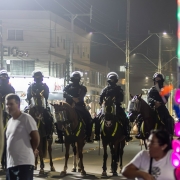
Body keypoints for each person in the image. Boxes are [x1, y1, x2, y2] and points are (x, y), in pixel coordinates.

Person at [5, 94, 40, 180]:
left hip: (24, 164)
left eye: (11, 104)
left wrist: (33, 149)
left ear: (18, 104)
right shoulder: (9, 122)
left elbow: (35, 138)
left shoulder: (26, 118)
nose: (8, 106)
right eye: (7, 104)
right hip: (11, 164)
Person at [94, 72, 132, 142]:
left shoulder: (119, 89)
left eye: (113, 79)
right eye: (111, 79)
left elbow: (121, 98)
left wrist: (115, 101)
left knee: (125, 118)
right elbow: (101, 97)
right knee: (97, 118)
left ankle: (126, 134)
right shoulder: (105, 89)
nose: (112, 80)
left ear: (116, 80)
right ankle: (97, 134)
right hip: (106, 107)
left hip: (116, 107)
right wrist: (101, 103)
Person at [61, 71, 93, 143]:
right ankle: (60, 136)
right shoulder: (68, 86)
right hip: (68, 106)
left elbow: (81, 95)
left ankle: (88, 135)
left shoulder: (83, 87)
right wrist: (72, 98)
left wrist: (77, 99)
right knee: (59, 119)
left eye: (77, 78)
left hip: (79, 106)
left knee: (89, 118)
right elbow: (64, 94)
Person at [135, 72, 170, 139]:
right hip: (152, 107)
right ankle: (140, 133)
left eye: (158, 79)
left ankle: (169, 133)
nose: (157, 80)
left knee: (168, 119)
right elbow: (149, 98)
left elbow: (165, 99)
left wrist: (160, 103)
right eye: (156, 79)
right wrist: (154, 102)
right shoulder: (151, 89)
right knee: (140, 117)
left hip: (161, 107)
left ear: (162, 80)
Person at [26, 70, 54, 142]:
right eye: (36, 77)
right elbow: (28, 96)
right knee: (23, 116)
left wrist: (40, 97)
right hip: (32, 106)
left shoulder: (45, 86)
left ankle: (49, 134)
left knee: (49, 118)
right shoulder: (31, 86)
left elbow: (46, 96)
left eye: (39, 77)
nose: (38, 79)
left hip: (43, 106)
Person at [0, 69, 15, 169]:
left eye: (5, 77)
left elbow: (14, 98)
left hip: (7, 109)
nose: (4, 79)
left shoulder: (11, 88)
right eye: (2, 77)